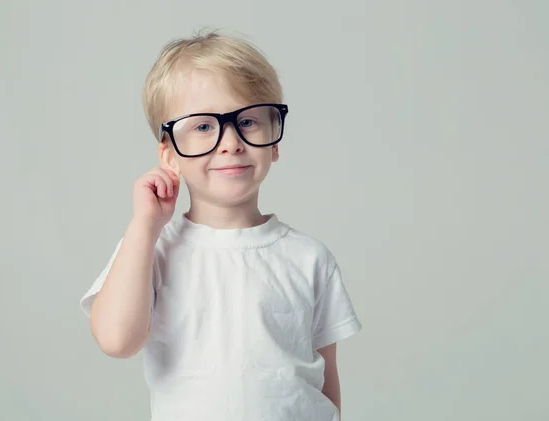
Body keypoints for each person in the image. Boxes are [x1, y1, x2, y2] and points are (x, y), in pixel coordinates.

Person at [80, 30, 362, 421]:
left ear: (275, 140)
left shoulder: (310, 258)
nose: (230, 142)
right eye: (203, 127)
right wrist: (145, 225)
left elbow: (326, 386)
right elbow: (116, 340)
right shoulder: (151, 250)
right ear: (170, 155)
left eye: (248, 121)